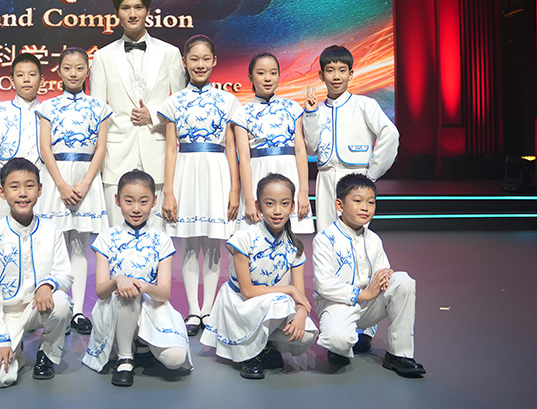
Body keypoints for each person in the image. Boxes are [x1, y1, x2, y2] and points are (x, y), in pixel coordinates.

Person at [159, 35, 243, 337]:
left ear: (215, 61)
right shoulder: (174, 102)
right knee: (190, 245)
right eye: (194, 59)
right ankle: (193, 311)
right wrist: (169, 191)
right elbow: (171, 149)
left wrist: (235, 189)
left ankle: (208, 309)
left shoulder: (227, 101)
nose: (200, 64)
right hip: (186, 172)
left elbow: (231, 147)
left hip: (217, 172)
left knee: (213, 246)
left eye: (206, 59)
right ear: (185, 62)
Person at [89, 0, 186, 228]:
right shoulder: (102, 56)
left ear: (148, 11)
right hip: (116, 157)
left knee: (158, 235)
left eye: (138, 7)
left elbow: (182, 106)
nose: (132, 14)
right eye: (126, 8)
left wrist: (153, 115)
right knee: (116, 234)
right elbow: (97, 112)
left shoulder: (170, 53)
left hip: (158, 155)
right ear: (116, 13)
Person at [82, 170, 192, 387]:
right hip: (115, 308)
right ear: (117, 200)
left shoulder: (162, 239)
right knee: (127, 293)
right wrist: (118, 280)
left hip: (153, 307)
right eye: (129, 201)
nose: (136, 208)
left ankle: (142, 344)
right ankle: (125, 357)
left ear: (154, 201)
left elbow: (164, 294)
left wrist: (144, 287)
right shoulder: (106, 238)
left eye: (143, 201)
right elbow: (101, 292)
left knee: (175, 359)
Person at [201, 174, 317, 379]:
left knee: (306, 334)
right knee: (281, 302)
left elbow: (300, 295)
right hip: (240, 302)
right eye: (270, 204)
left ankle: (266, 344)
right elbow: (247, 291)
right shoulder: (243, 238)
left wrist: (301, 312)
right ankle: (251, 354)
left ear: (292, 207)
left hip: (268, 302)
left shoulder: (295, 247)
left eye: (284, 204)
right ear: (258, 206)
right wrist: (290, 290)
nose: (277, 210)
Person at [313, 174, 425, 377]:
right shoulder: (325, 239)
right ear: (339, 205)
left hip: (368, 306)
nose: (365, 207)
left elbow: (383, 273)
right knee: (338, 341)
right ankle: (341, 344)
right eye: (357, 201)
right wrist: (365, 294)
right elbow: (324, 284)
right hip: (337, 304)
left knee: (403, 281)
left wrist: (387, 275)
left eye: (371, 202)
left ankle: (398, 354)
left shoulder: (374, 239)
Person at [0, 158, 74, 387]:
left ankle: (47, 353)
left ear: (40, 190)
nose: (22, 193)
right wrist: (0, 337)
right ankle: (14, 349)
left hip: (38, 307)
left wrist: (47, 285)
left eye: (29, 186)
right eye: (14, 186)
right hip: (6, 314)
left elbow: (65, 274)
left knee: (61, 303)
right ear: (1, 192)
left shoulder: (51, 231)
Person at [37, 47, 112, 335]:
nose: (73, 73)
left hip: (85, 180)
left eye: (79, 68)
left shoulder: (99, 107)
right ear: (58, 70)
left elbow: (100, 149)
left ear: (87, 71)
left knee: (80, 247)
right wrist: (61, 184)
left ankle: (78, 311)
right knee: (54, 246)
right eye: (67, 68)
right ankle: (59, 308)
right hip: (56, 179)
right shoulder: (48, 107)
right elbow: (45, 148)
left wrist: (84, 183)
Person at [303, 45, 399, 230]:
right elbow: (311, 149)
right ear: (321, 75)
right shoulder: (317, 110)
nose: (336, 76)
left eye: (342, 70)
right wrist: (311, 115)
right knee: (326, 234)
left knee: (356, 234)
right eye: (330, 71)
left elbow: (391, 133)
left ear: (351, 74)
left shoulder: (364, 104)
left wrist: (372, 174)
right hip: (325, 177)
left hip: (357, 176)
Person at [236, 53, 314, 234]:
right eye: (261, 73)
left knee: (290, 237)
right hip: (257, 173)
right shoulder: (242, 113)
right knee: (258, 237)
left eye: (273, 73)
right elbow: (244, 159)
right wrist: (249, 200)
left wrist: (303, 192)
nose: (268, 78)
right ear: (250, 77)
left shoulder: (293, 108)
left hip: (289, 172)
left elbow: (300, 151)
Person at [0, 53, 44, 223]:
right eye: (20, 75)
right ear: (12, 80)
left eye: (32, 74)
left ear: (41, 79)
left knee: (37, 232)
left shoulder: (48, 112)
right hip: (3, 183)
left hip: (37, 183)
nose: (26, 79)